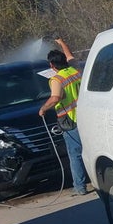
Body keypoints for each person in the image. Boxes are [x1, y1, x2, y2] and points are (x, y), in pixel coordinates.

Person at [38, 38, 87, 195]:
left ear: (52, 66)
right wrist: (62, 43)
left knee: (75, 154)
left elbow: (55, 98)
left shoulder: (56, 79)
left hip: (70, 121)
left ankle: (80, 187)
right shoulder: (75, 70)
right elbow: (70, 56)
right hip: (86, 117)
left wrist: (43, 109)